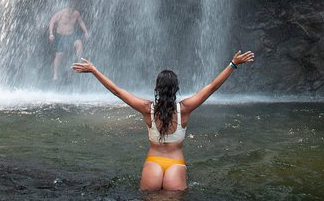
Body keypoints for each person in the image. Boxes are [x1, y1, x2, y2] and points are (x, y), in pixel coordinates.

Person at [71, 50, 255, 191]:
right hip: (176, 164)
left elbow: (117, 91)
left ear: (157, 88)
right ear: (176, 89)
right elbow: (213, 87)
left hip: (153, 163)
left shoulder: (146, 109)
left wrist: (94, 70)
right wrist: (233, 64)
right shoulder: (185, 109)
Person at [48, 5, 88, 81]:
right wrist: (51, 33)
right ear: (67, 9)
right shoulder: (60, 14)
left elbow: (80, 22)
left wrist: (86, 31)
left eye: (72, 11)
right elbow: (52, 21)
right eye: (69, 11)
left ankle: (80, 62)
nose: (70, 14)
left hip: (71, 34)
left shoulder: (76, 13)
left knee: (79, 43)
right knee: (59, 55)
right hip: (61, 35)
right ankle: (55, 73)